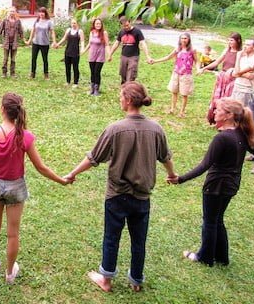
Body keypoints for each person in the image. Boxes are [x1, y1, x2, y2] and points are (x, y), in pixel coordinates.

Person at [64, 81, 176, 293]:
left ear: (127, 100)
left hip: (117, 195)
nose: (119, 99)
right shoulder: (155, 129)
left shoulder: (115, 129)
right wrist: (172, 174)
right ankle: (136, 280)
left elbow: (93, 158)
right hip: (142, 196)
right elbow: (165, 157)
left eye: (120, 96)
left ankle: (105, 280)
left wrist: (72, 173)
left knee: (111, 236)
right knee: (139, 239)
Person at [0, 92, 68, 283]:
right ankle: (10, 273)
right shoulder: (25, 136)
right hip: (16, 188)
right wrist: (60, 180)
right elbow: (41, 167)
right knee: (13, 233)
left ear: (2, 109)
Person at [168, 98, 254, 266]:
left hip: (216, 186)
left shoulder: (222, 138)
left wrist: (180, 179)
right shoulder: (241, 132)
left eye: (218, 110)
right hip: (231, 185)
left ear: (229, 115)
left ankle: (204, 257)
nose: (214, 112)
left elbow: (205, 165)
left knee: (210, 221)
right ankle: (222, 257)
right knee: (218, 219)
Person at [198, 32, 242, 124]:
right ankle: (216, 120)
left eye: (232, 40)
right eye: (229, 40)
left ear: (238, 41)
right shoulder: (226, 50)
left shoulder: (240, 53)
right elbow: (217, 62)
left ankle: (227, 122)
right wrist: (204, 68)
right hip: (222, 77)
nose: (230, 42)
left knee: (228, 101)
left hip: (232, 79)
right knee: (217, 98)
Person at [150, 32, 197, 117]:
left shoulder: (192, 50)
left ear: (189, 39)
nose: (183, 40)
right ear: (180, 39)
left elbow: (197, 61)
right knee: (174, 92)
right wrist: (155, 61)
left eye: (185, 38)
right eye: (182, 38)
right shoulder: (177, 49)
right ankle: (172, 109)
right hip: (176, 73)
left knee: (184, 94)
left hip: (186, 74)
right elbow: (168, 57)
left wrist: (198, 68)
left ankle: (182, 112)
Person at [107, 16, 152, 84]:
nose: (126, 27)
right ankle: (124, 90)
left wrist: (147, 56)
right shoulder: (121, 32)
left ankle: (129, 91)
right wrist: (110, 54)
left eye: (127, 25)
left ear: (130, 22)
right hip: (124, 56)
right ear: (121, 25)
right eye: (124, 26)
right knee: (123, 74)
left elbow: (143, 43)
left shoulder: (137, 31)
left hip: (133, 56)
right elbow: (116, 43)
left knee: (131, 76)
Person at [0, 6, 23, 78]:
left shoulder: (18, 21)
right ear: (8, 12)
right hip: (6, 43)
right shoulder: (5, 21)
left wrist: (25, 41)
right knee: (5, 59)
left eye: (13, 11)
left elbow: (21, 32)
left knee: (13, 59)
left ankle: (12, 73)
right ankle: (4, 73)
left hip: (14, 43)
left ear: (15, 12)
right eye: (10, 11)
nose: (12, 13)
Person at [26, 7, 57, 80]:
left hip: (45, 43)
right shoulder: (37, 21)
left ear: (45, 13)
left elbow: (52, 32)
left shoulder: (49, 22)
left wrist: (54, 41)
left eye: (42, 12)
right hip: (35, 42)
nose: (41, 14)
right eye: (40, 12)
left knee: (45, 59)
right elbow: (33, 30)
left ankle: (46, 75)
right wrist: (29, 40)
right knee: (34, 58)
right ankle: (32, 74)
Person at [82, 18, 109, 96]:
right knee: (92, 72)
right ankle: (92, 89)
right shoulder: (92, 32)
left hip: (100, 56)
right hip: (92, 55)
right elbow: (90, 44)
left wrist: (109, 54)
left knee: (97, 72)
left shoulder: (104, 33)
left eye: (99, 24)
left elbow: (107, 45)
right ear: (94, 24)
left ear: (101, 25)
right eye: (96, 23)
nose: (98, 25)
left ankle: (97, 89)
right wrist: (84, 51)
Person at [230, 37, 254, 106]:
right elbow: (234, 74)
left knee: (241, 112)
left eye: (248, 45)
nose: (245, 47)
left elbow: (237, 73)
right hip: (236, 87)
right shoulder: (243, 58)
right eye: (244, 44)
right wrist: (245, 75)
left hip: (246, 90)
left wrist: (238, 57)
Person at [56, 18, 84, 87]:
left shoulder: (80, 31)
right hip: (68, 51)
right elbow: (64, 38)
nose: (73, 24)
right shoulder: (68, 30)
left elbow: (82, 41)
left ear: (77, 24)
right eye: (72, 23)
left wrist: (82, 48)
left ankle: (75, 83)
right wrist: (57, 44)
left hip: (75, 52)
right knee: (67, 67)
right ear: (71, 24)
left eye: (75, 23)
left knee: (75, 67)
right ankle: (68, 81)